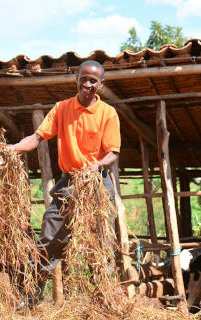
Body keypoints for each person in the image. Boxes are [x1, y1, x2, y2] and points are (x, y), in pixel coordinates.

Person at [9, 60, 121, 300]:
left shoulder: (108, 113)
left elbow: (113, 152)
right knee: (50, 236)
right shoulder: (62, 108)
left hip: (97, 183)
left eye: (93, 81)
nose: (88, 84)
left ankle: (106, 298)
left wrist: (97, 165)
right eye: (84, 78)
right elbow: (37, 137)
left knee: (103, 242)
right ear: (76, 79)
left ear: (101, 84)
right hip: (69, 183)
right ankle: (29, 296)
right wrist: (15, 148)